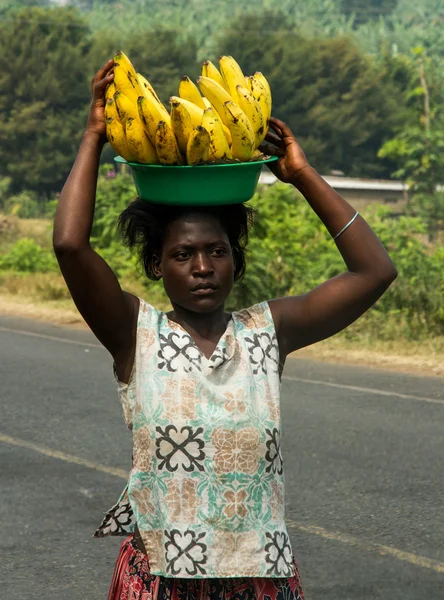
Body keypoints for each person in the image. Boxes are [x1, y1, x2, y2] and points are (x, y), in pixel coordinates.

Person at [53, 60, 397, 600]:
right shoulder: (133, 335)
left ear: (235, 260)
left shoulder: (268, 331)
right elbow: (71, 247)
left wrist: (302, 176)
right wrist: (94, 136)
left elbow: (375, 272)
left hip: (261, 577)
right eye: (182, 254)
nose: (202, 267)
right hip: (162, 579)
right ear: (156, 267)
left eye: (217, 251)